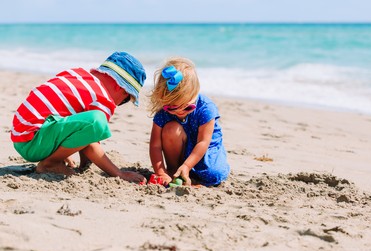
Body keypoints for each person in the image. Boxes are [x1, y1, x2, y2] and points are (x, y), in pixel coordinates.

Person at [11, 51, 147, 183]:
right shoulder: (103, 98)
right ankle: (50, 164)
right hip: (34, 142)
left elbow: (62, 113)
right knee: (97, 121)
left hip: (22, 136)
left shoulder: (76, 75)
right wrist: (119, 173)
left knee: (87, 123)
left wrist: (66, 154)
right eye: (126, 99)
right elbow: (91, 138)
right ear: (121, 89)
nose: (119, 104)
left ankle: (55, 158)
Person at [148, 57, 230, 187]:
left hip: (205, 150)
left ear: (195, 93)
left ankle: (187, 172)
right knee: (171, 129)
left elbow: (203, 142)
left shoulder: (206, 108)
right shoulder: (163, 113)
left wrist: (187, 165)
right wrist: (160, 172)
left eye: (187, 107)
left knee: (214, 174)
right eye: (172, 108)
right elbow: (155, 146)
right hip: (180, 147)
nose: (180, 112)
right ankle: (174, 171)